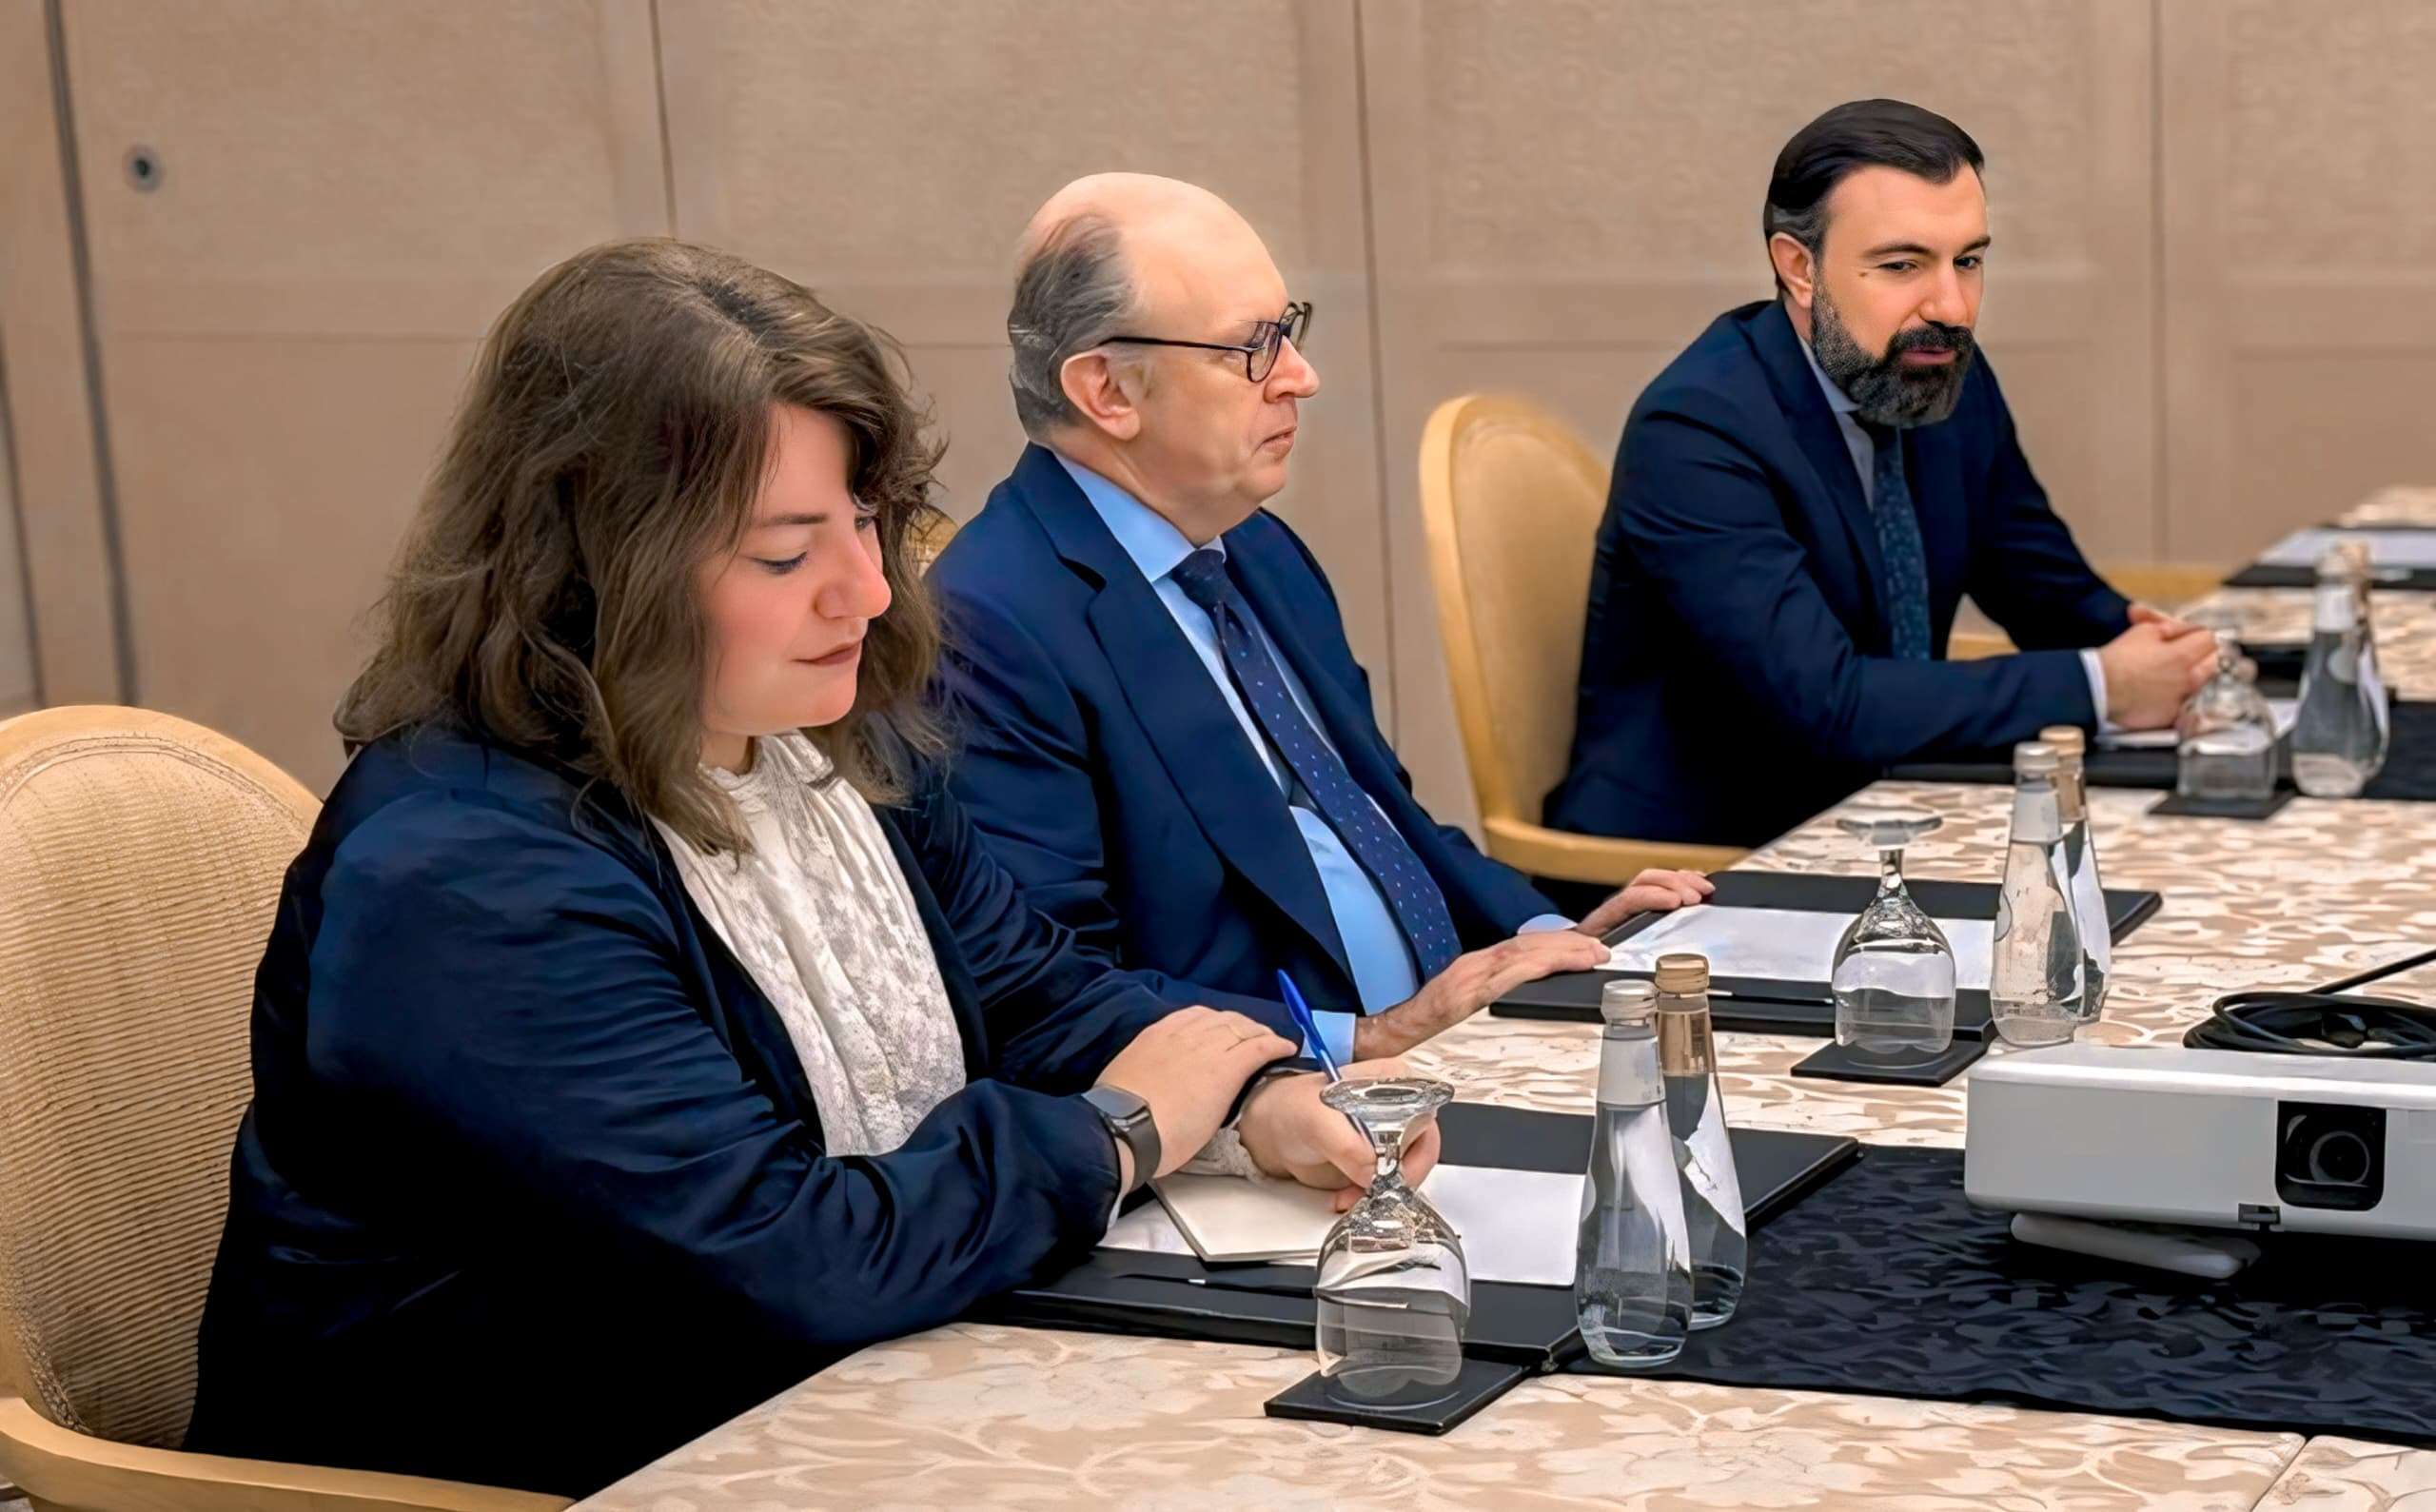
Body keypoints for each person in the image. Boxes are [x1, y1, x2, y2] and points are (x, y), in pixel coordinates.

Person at [185, 239, 1425, 1498]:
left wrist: (1255, 1095)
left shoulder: (823, 738)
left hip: (825, 1398)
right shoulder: (466, 876)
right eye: (785, 556)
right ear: (594, 569)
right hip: (545, 1470)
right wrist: (1116, 1132)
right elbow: (785, 1254)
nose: (868, 593)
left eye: (868, 523)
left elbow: (1030, 991)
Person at [931, 174, 1711, 1067]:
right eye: (1252, 348)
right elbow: (1050, 995)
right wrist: (1373, 1037)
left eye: (1288, 330)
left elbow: (1383, 819)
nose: (1302, 377)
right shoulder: (991, 625)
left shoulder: (1253, 548)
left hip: (1443, 1051)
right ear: (1108, 390)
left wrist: (1553, 936)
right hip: (1279, 1104)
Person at [1547, 99, 2217, 848]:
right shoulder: (1697, 429)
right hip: (1704, 863)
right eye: (1902, 266)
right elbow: (1828, 704)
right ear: (1799, 267)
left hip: (1894, 813)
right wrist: (2103, 685)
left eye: (1968, 261)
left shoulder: (1940, 374)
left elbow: (2046, 589)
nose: (1952, 306)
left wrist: (2179, 662)